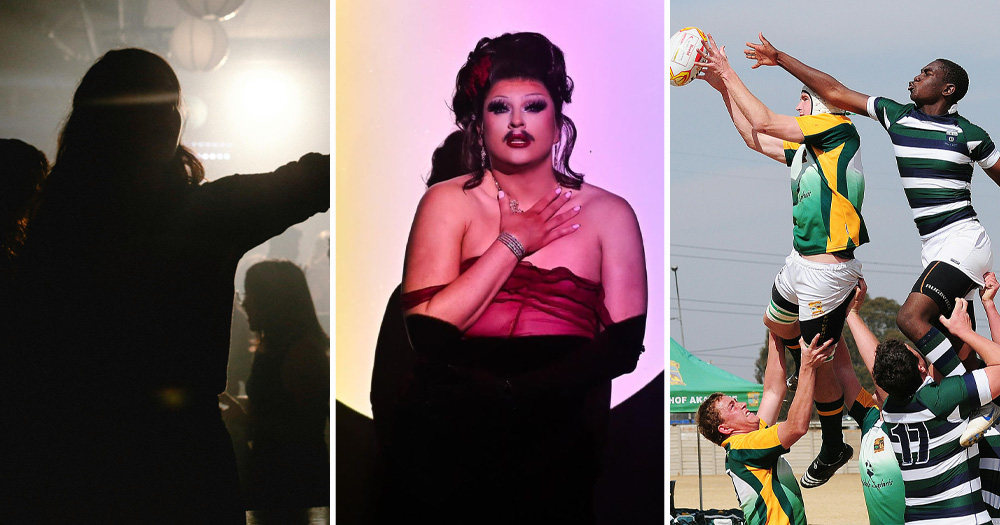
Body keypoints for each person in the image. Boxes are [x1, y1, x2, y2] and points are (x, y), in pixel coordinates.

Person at [3, 48, 329, 523]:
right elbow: (311, 180)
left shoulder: (55, 225)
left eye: (169, 104)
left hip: (78, 458)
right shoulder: (206, 214)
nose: (165, 117)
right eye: (158, 104)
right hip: (185, 459)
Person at [387, 32, 647, 524]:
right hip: (448, 443)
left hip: (561, 447)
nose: (518, 122)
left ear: (557, 117)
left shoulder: (609, 214)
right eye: (499, 108)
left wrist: (517, 393)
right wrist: (513, 244)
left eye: (534, 105)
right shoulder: (446, 203)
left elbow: (623, 346)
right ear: (478, 122)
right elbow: (426, 333)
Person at [744, 33, 1000, 446]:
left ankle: (978, 400)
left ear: (948, 89)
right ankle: (974, 406)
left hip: (964, 240)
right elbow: (834, 92)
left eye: (926, 73)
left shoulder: (970, 134)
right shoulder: (896, 115)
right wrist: (779, 57)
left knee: (909, 319)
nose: (915, 78)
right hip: (934, 249)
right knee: (951, 340)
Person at [698, 34, 865, 487]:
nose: (799, 102)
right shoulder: (808, 148)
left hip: (826, 272)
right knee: (778, 328)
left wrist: (728, 72)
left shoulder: (837, 130)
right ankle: (828, 421)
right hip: (799, 263)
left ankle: (833, 443)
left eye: (805, 98)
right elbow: (756, 138)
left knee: (818, 359)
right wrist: (721, 89)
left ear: (826, 108)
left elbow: (768, 120)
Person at [871, 297, 1000, 524]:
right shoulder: (939, 399)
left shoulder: (890, 410)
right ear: (921, 366)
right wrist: (963, 332)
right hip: (963, 518)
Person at [697, 333, 834, 525]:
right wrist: (807, 367)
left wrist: (775, 332)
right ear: (725, 428)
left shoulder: (746, 441)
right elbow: (796, 427)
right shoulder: (743, 447)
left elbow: (773, 391)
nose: (742, 404)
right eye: (732, 407)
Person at [241, 260, 330, 510]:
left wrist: (244, 418)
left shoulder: (301, 352)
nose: (244, 302)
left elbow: (305, 429)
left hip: (295, 481)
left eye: (251, 294)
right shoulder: (273, 346)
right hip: (273, 474)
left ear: (272, 300)